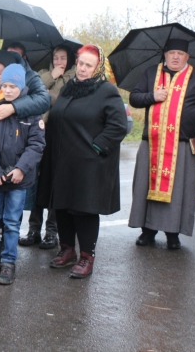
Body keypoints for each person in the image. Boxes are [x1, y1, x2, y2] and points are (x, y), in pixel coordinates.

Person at [37, 45, 127, 278]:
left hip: (89, 162)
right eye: (80, 63)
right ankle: (68, 250)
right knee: (63, 206)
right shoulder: (70, 87)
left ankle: (87, 255)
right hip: (62, 159)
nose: (83, 69)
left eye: (89, 65)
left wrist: (97, 147)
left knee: (83, 210)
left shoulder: (107, 91)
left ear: (97, 67)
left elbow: (118, 126)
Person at [128, 40, 195, 249]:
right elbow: (134, 98)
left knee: (179, 191)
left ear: (187, 57)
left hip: (183, 145)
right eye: (171, 53)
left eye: (180, 53)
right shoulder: (152, 73)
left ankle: (173, 234)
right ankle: (147, 231)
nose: (175, 57)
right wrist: (153, 96)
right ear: (165, 55)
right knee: (145, 187)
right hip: (152, 143)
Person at [0, 48, 50, 266]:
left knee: (12, 220)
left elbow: (37, 140)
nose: (6, 87)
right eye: (0, 82)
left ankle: (7, 260)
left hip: (18, 173)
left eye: (11, 84)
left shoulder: (30, 94)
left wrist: (21, 169)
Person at [21, 45, 77, 250]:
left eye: (63, 57)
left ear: (70, 59)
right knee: (37, 179)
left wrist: (46, 94)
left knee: (54, 182)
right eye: (56, 57)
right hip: (40, 130)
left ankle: (52, 232)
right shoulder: (43, 73)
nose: (60, 61)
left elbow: (65, 98)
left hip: (61, 133)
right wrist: (51, 76)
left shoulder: (74, 75)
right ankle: (33, 229)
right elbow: (32, 90)